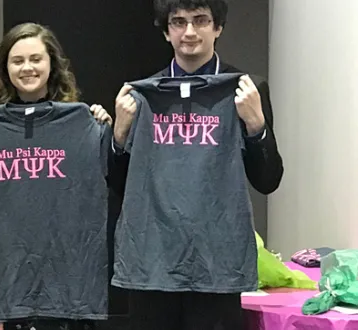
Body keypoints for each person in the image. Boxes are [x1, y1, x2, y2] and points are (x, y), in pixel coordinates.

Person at [111, 0, 283, 329]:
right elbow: (119, 185)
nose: (189, 31)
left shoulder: (246, 90)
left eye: (201, 20)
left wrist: (256, 126)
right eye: (179, 22)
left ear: (217, 27)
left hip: (217, 265)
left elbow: (268, 180)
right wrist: (119, 135)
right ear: (166, 32)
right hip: (153, 264)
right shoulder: (141, 97)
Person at [0, 23, 110, 330]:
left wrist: (103, 127)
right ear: (5, 68)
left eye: (36, 59)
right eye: (17, 60)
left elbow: (114, 171)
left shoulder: (82, 123)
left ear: (52, 64)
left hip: (65, 291)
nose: (27, 67)